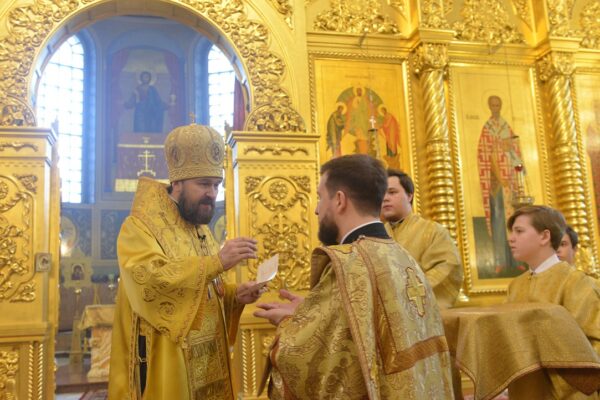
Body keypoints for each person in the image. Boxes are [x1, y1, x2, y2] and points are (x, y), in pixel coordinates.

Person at [254, 154, 454, 399]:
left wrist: (289, 323)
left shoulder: (349, 262)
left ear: (339, 200)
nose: (316, 209)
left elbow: (305, 357)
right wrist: (310, 311)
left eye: (320, 197)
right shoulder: (403, 256)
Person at [108, 123, 263, 400]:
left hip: (209, 361)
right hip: (167, 365)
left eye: (216, 185)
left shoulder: (199, 227)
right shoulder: (139, 227)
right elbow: (150, 283)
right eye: (203, 184)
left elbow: (207, 292)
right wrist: (217, 262)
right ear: (177, 182)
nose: (212, 193)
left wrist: (234, 295)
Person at [506, 205, 600, 399]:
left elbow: (594, 342)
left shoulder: (575, 282)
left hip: (570, 393)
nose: (511, 238)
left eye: (519, 231)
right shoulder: (515, 286)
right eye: (512, 232)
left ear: (544, 236)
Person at [381, 169, 463, 309]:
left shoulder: (433, 231)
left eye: (392, 192)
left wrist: (406, 295)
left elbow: (447, 268)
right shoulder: (374, 236)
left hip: (420, 312)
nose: (385, 198)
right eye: (381, 193)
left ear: (409, 196)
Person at [477, 95, 524, 276]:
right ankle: (499, 261)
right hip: (497, 186)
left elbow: (517, 157)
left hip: (510, 186)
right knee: (498, 221)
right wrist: (499, 177)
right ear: (489, 107)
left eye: (498, 105)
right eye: (493, 105)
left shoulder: (506, 127)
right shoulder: (487, 128)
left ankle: (517, 259)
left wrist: (516, 172)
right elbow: (486, 156)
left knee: (514, 222)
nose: (496, 108)